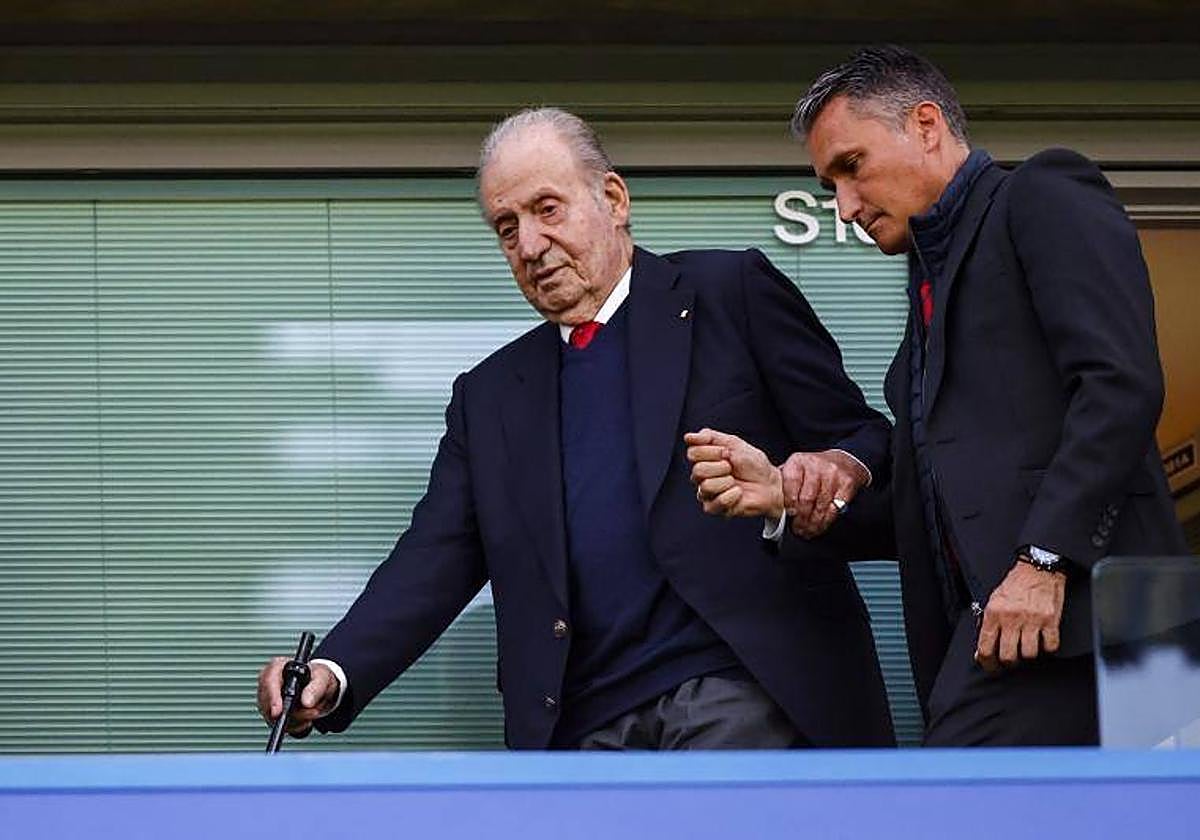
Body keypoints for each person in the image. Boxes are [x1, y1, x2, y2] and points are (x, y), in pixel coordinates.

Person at [256, 107, 896, 750]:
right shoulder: (488, 398)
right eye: (507, 228)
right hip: (580, 728)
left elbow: (866, 447)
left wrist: (799, 489)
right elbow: (433, 558)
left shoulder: (729, 292)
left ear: (613, 199)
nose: (529, 245)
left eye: (547, 209)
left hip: (738, 687)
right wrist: (333, 672)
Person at [689, 46, 1188, 746]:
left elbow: (1121, 384)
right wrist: (782, 496)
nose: (845, 206)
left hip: (1094, 623)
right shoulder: (929, 288)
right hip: (1010, 639)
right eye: (829, 183)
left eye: (851, 167)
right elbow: (925, 510)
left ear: (926, 125)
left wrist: (1045, 559)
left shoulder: (1042, 192)